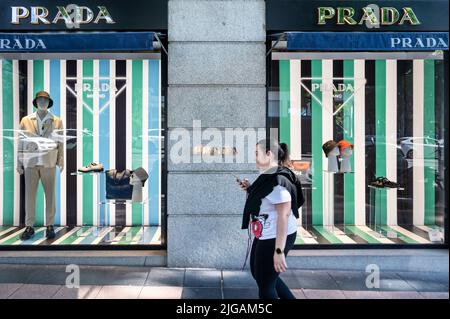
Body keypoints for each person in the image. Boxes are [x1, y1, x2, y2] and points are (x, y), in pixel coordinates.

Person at [238, 138, 304, 299]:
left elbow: (284, 215)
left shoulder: (278, 183)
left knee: (265, 284)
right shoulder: (268, 176)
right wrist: (250, 188)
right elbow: (265, 196)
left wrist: (279, 251)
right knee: (261, 275)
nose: (254, 157)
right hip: (267, 234)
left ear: (268, 154)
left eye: (256, 153)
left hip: (277, 236)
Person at [17, 91, 64, 240]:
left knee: (50, 195)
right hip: (31, 162)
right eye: (40, 99)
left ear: (49, 102)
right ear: (35, 102)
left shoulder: (56, 121)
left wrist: (60, 160)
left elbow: (60, 142)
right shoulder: (26, 120)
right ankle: (29, 226)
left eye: (45, 100)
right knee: (30, 196)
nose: (42, 102)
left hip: (48, 162)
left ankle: (50, 225)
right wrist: (19, 162)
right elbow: (20, 142)